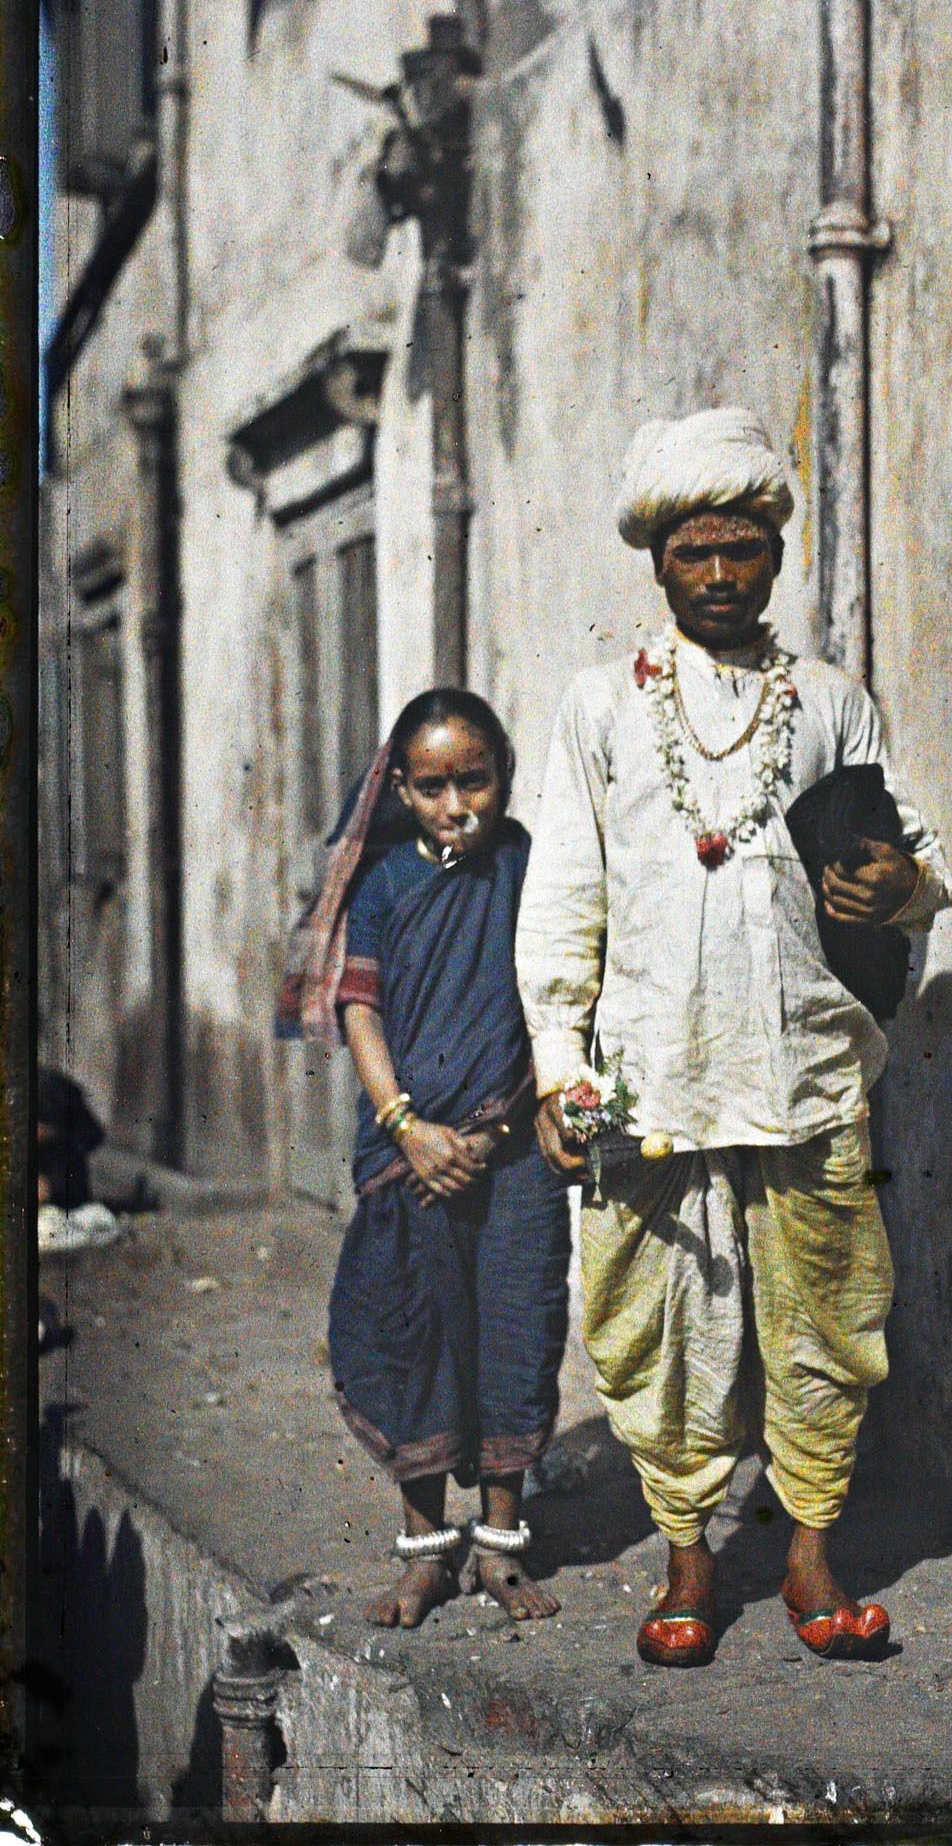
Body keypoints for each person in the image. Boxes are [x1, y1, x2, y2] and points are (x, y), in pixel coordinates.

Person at [516, 407, 952, 1667]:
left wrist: (895, 890)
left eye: (744, 549)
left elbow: (910, 859)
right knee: (653, 1323)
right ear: (657, 560)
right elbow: (564, 896)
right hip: (646, 1077)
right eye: (694, 550)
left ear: (777, 556)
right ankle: (689, 1560)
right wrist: (560, 1066)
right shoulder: (600, 707)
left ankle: (813, 1553)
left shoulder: (828, 702)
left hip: (806, 1069)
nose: (718, 574)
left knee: (828, 1316)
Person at [281, 688, 572, 1628]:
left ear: (504, 778)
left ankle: (499, 1546)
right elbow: (360, 1009)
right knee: (414, 1334)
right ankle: (423, 1551)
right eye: (435, 787)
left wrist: (492, 1131)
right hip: (412, 1153)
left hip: (512, 1149)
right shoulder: (383, 887)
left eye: (475, 782)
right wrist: (407, 1124)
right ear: (402, 791)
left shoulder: (528, 865)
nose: (458, 807)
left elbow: (560, 990)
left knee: (514, 1326)